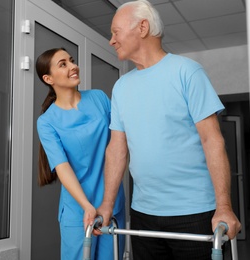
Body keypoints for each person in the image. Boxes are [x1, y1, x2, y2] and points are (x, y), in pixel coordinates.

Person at [95, 1, 242, 259]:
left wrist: (224, 207)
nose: (111, 40)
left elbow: (213, 141)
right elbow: (117, 148)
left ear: (142, 27)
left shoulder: (187, 72)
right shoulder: (121, 87)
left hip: (195, 214)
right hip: (144, 215)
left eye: (115, 32)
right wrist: (107, 204)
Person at [36, 48, 125, 260]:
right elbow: (62, 166)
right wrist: (86, 206)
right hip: (79, 211)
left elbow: (121, 142)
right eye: (63, 64)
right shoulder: (47, 121)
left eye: (72, 61)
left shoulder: (99, 98)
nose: (73, 66)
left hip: (112, 203)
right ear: (48, 78)